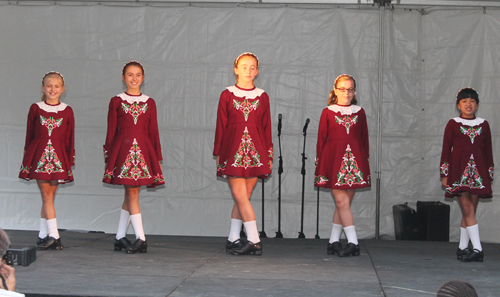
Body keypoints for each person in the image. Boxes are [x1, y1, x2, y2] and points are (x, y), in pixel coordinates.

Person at [214, 52, 273, 256]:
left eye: (252, 67)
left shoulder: (262, 96)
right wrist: (219, 154)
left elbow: (266, 127)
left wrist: (268, 154)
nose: (248, 70)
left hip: (256, 151)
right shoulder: (227, 94)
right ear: (236, 69)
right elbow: (221, 125)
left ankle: (233, 238)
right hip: (232, 150)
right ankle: (254, 240)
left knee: (243, 197)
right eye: (244, 66)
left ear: (257, 71)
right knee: (240, 195)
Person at [103, 61, 164, 254]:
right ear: (123, 77)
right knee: (131, 194)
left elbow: (153, 131)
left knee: (131, 194)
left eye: (138, 75)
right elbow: (111, 131)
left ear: (143, 78)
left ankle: (121, 237)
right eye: (130, 74)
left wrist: (157, 158)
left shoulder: (149, 102)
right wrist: (109, 156)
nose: (134, 78)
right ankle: (140, 238)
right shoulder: (116, 101)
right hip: (122, 151)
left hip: (144, 152)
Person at [314, 74, 371, 257]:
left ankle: (333, 241)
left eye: (350, 89)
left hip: (355, 161)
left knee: (343, 204)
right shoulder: (328, 112)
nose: (346, 93)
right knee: (341, 201)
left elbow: (364, 139)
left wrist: (364, 161)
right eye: (343, 89)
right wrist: (320, 163)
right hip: (333, 160)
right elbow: (321, 139)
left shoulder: (359, 112)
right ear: (335, 90)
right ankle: (353, 242)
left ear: (354, 91)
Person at [18, 72, 75, 251]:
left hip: (58, 157)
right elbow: (30, 134)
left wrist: (69, 159)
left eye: (56, 86)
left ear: (62, 89)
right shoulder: (36, 108)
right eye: (49, 86)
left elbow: (69, 137)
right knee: (46, 196)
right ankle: (55, 236)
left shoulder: (67, 110)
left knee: (49, 197)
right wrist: (28, 156)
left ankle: (43, 235)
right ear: (43, 88)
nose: (53, 89)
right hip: (40, 155)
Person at [440, 88, 493, 262]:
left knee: (470, 211)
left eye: (472, 101)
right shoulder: (453, 124)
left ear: (477, 105)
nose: (468, 104)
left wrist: (489, 173)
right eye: (464, 101)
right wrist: (445, 174)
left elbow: (488, 151)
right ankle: (478, 249)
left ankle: (462, 247)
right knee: (467, 208)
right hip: (457, 173)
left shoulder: (483, 124)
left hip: (478, 173)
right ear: (458, 105)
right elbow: (446, 150)